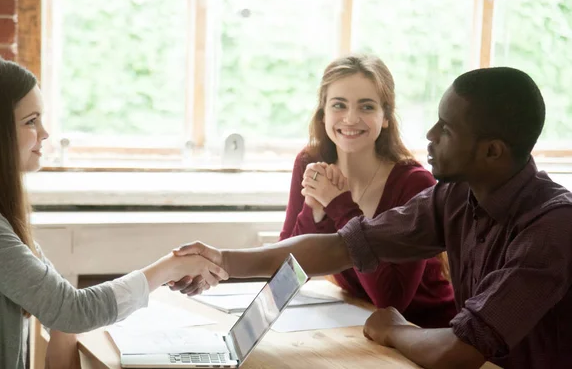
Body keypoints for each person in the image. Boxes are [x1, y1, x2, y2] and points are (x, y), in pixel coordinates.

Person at [171, 67, 572, 369]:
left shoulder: (552, 230)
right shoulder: (455, 195)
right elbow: (340, 248)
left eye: (446, 129)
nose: (429, 135)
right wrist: (223, 260)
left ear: (492, 152)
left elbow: (458, 351)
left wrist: (393, 328)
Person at [0, 56, 228, 369]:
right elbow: (71, 310)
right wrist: (169, 269)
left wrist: (64, 323)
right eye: (31, 121)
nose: (45, 133)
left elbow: (61, 308)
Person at [280, 54, 455, 328]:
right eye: (339, 105)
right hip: (359, 321)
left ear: (385, 116)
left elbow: (391, 303)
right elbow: (285, 277)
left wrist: (339, 206)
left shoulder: (414, 184)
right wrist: (313, 210)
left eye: (366, 107)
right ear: (323, 112)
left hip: (423, 332)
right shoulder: (309, 163)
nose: (351, 119)